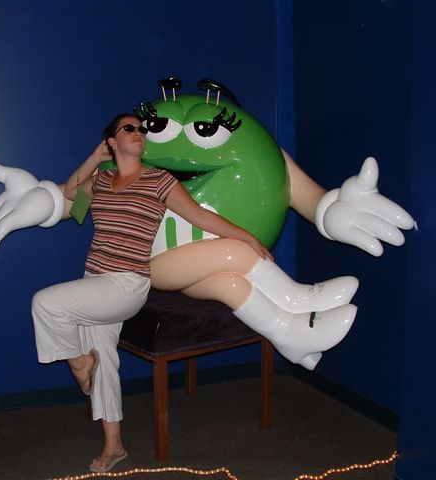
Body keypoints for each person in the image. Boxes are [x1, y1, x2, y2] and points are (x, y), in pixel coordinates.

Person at [30, 113, 271, 472]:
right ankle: (114, 445)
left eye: (141, 129)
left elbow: (200, 217)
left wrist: (247, 237)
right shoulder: (102, 179)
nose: (139, 133)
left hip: (127, 283)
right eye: (129, 129)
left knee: (44, 303)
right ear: (112, 141)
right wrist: (95, 158)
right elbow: (70, 194)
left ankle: (79, 363)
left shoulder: (159, 180)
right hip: (93, 279)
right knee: (104, 360)